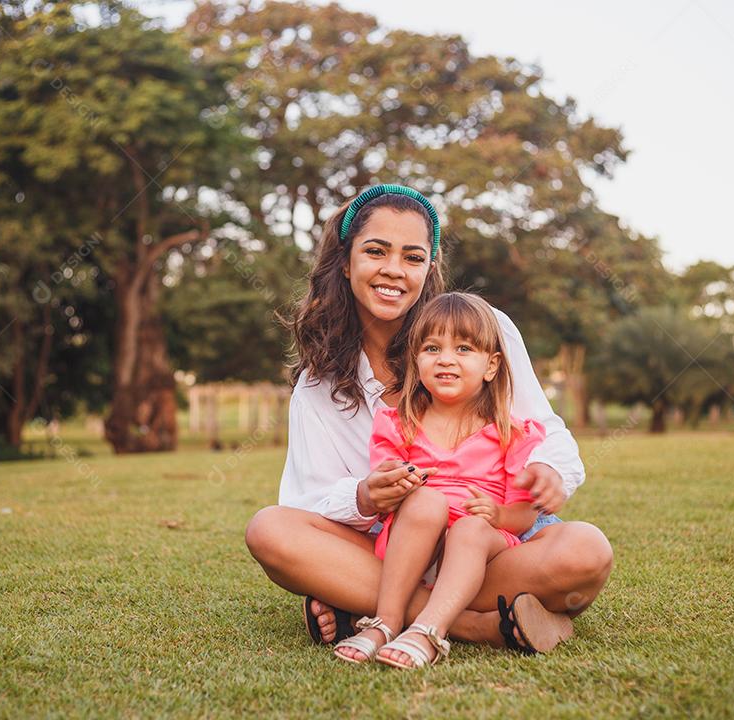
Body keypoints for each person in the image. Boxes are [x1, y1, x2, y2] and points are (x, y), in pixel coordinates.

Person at [244, 184, 613, 655]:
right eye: (376, 251)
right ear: (345, 260)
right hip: (395, 548)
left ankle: (364, 605)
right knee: (270, 531)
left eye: (413, 257)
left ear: (430, 267)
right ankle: (473, 625)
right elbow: (305, 502)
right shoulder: (319, 386)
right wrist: (364, 495)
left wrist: (551, 473)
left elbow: (544, 429)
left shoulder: (487, 329)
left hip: (488, 541)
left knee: (586, 551)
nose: (393, 271)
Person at [334, 292, 570, 668]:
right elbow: (385, 491)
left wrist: (496, 513)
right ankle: (385, 622)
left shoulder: (514, 434)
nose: (446, 358)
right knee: (428, 501)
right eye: (432, 348)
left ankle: (429, 629)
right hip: (415, 548)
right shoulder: (397, 424)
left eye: (463, 348)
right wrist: (396, 486)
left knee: (471, 529)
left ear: (491, 365)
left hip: (480, 549)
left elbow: (524, 518)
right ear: (416, 360)